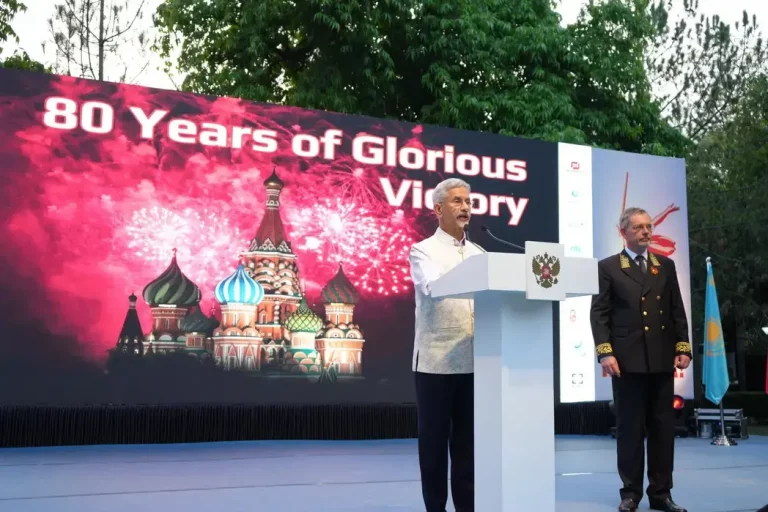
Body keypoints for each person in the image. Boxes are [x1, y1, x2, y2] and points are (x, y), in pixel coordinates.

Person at [590, 206, 692, 512]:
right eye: (639, 227)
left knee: (663, 430)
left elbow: (676, 309)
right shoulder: (609, 267)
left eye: (648, 226)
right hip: (627, 361)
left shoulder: (665, 265)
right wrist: (605, 353)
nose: (646, 232)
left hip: (660, 359)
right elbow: (599, 314)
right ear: (624, 233)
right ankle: (631, 493)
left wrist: (683, 346)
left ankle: (661, 494)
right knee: (630, 430)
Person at [408, 177, 484, 512]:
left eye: (468, 201)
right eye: (457, 201)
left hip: (474, 361)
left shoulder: (480, 253)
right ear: (438, 209)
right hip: (436, 362)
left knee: (467, 446)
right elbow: (431, 288)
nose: (465, 207)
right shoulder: (422, 250)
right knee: (435, 446)